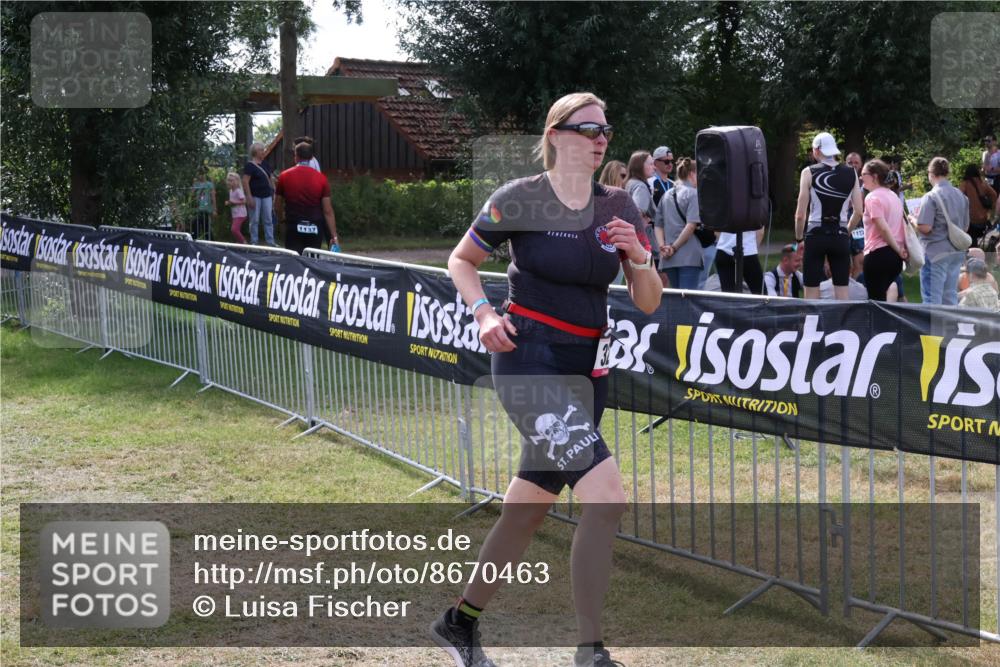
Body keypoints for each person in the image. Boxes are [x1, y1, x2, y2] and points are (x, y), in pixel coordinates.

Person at [434, 92, 661, 667]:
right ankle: (590, 649)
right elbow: (461, 260)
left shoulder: (621, 206)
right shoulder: (520, 198)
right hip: (528, 360)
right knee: (606, 500)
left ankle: (459, 621)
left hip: (588, 369)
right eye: (587, 128)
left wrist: (639, 257)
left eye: (605, 129)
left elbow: (650, 302)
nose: (600, 137)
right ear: (556, 134)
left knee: (526, 511)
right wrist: (483, 313)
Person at [795, 132, 863, 300]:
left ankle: (811, 325)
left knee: (811, 291)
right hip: (839, 234)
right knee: (842, 292)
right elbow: (859, 212)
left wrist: (798, 239)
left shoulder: (808, 172)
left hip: (815, 234)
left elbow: (800, 215)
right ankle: (842, 326)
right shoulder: (851, 172)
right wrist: (845, 231)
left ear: (817, 150)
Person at [912, 157, 970, 305]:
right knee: (950, 296)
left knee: (932, 297)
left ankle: (932, 328)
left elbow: (925, 227)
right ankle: (949, 327)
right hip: (956, 251)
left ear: (931, 173)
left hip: (935, 252)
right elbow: (965, 227)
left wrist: (913, 220)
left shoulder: (931, 196)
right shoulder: (961, 196)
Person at [274, 142, 339, 254]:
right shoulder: (322, 178)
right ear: (311, 157)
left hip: (293, 224)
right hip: (315, 226)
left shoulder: (284, 176)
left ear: (296, 156)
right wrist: (334, 236)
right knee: (312, 262)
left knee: (294, 261)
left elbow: (277, 205)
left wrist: (281, 220)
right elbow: (327, 210)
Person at [859, 159, 908, 301]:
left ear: (874, 176)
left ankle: (880, 323)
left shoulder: (872, 197)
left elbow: (883, 228)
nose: (861, 178)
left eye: (864, 174)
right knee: (887, 298)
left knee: (876, 302)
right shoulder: (894, 196)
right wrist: (900, 250)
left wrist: (898, 249)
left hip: (878, 255)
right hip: (895, 258)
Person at [654, 157, 702, 289]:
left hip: (668, 258)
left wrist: (663, 246)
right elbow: (691, 225)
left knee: (675, 300)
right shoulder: (693, 194)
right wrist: (674, 247)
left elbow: (658, 225)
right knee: (687, 300)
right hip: (689, 256)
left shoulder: (666, 195)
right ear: (692, 174)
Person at [625, 151, 666, 287]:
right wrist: (644, 221)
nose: (654, 167)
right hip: (645, 243)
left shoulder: (630, 183)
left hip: (635, 243)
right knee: (656, 283)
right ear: (639, 166)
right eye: (650, 164)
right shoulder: (640, 186)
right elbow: (637, 210)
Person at [242, 142, 277, 246]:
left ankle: (270, 242)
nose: (263, 152)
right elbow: (245, 181)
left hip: (267, 195)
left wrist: (273, 190)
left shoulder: (265, 164)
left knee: (268, 219)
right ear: (255, 152)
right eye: (261, 150)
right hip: (254, 196)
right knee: (254, 220)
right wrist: (249, 197)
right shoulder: (249, 166)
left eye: (263, 149)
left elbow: (270, 178)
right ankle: (254, 241)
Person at [714, 227, 765, 294]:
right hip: (748, 251)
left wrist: (726, 241)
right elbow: (760, 232)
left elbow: (716, 230)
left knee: (728, 294)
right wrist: (753, 248)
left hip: (723, 250)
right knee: (761, 293)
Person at [959, 163, 998, 248]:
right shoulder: (982, 183)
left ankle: (972, 253)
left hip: (970, 221)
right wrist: (991, 207)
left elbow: (958, 198)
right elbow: (994, 194)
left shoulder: (964, 184)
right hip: (983, 221)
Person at [191, 170, 216, 240]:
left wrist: (214, 209)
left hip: (206, 209)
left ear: (205, 174)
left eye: (203, 174)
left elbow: (213, 197)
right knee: (195, 226)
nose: (201, 176)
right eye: (199, 174)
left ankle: (211, 243)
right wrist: (193, 184)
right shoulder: (196, 184)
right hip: (197, 209)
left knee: (207, 228)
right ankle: (194, 242)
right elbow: (191, 195)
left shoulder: (209, 184)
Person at [224, 172, 248, 244]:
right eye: (229, 180)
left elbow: (244, 201)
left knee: (234, 229)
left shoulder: (238, 191)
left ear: (237, 181)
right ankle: (240, 242)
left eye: (232, 180)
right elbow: (233, 201)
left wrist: (232, 202)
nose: (230, 182)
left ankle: (244, 242)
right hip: (235, 213)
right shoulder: (231, 191)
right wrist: (229, 203)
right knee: (235, 229)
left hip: (241, 214)